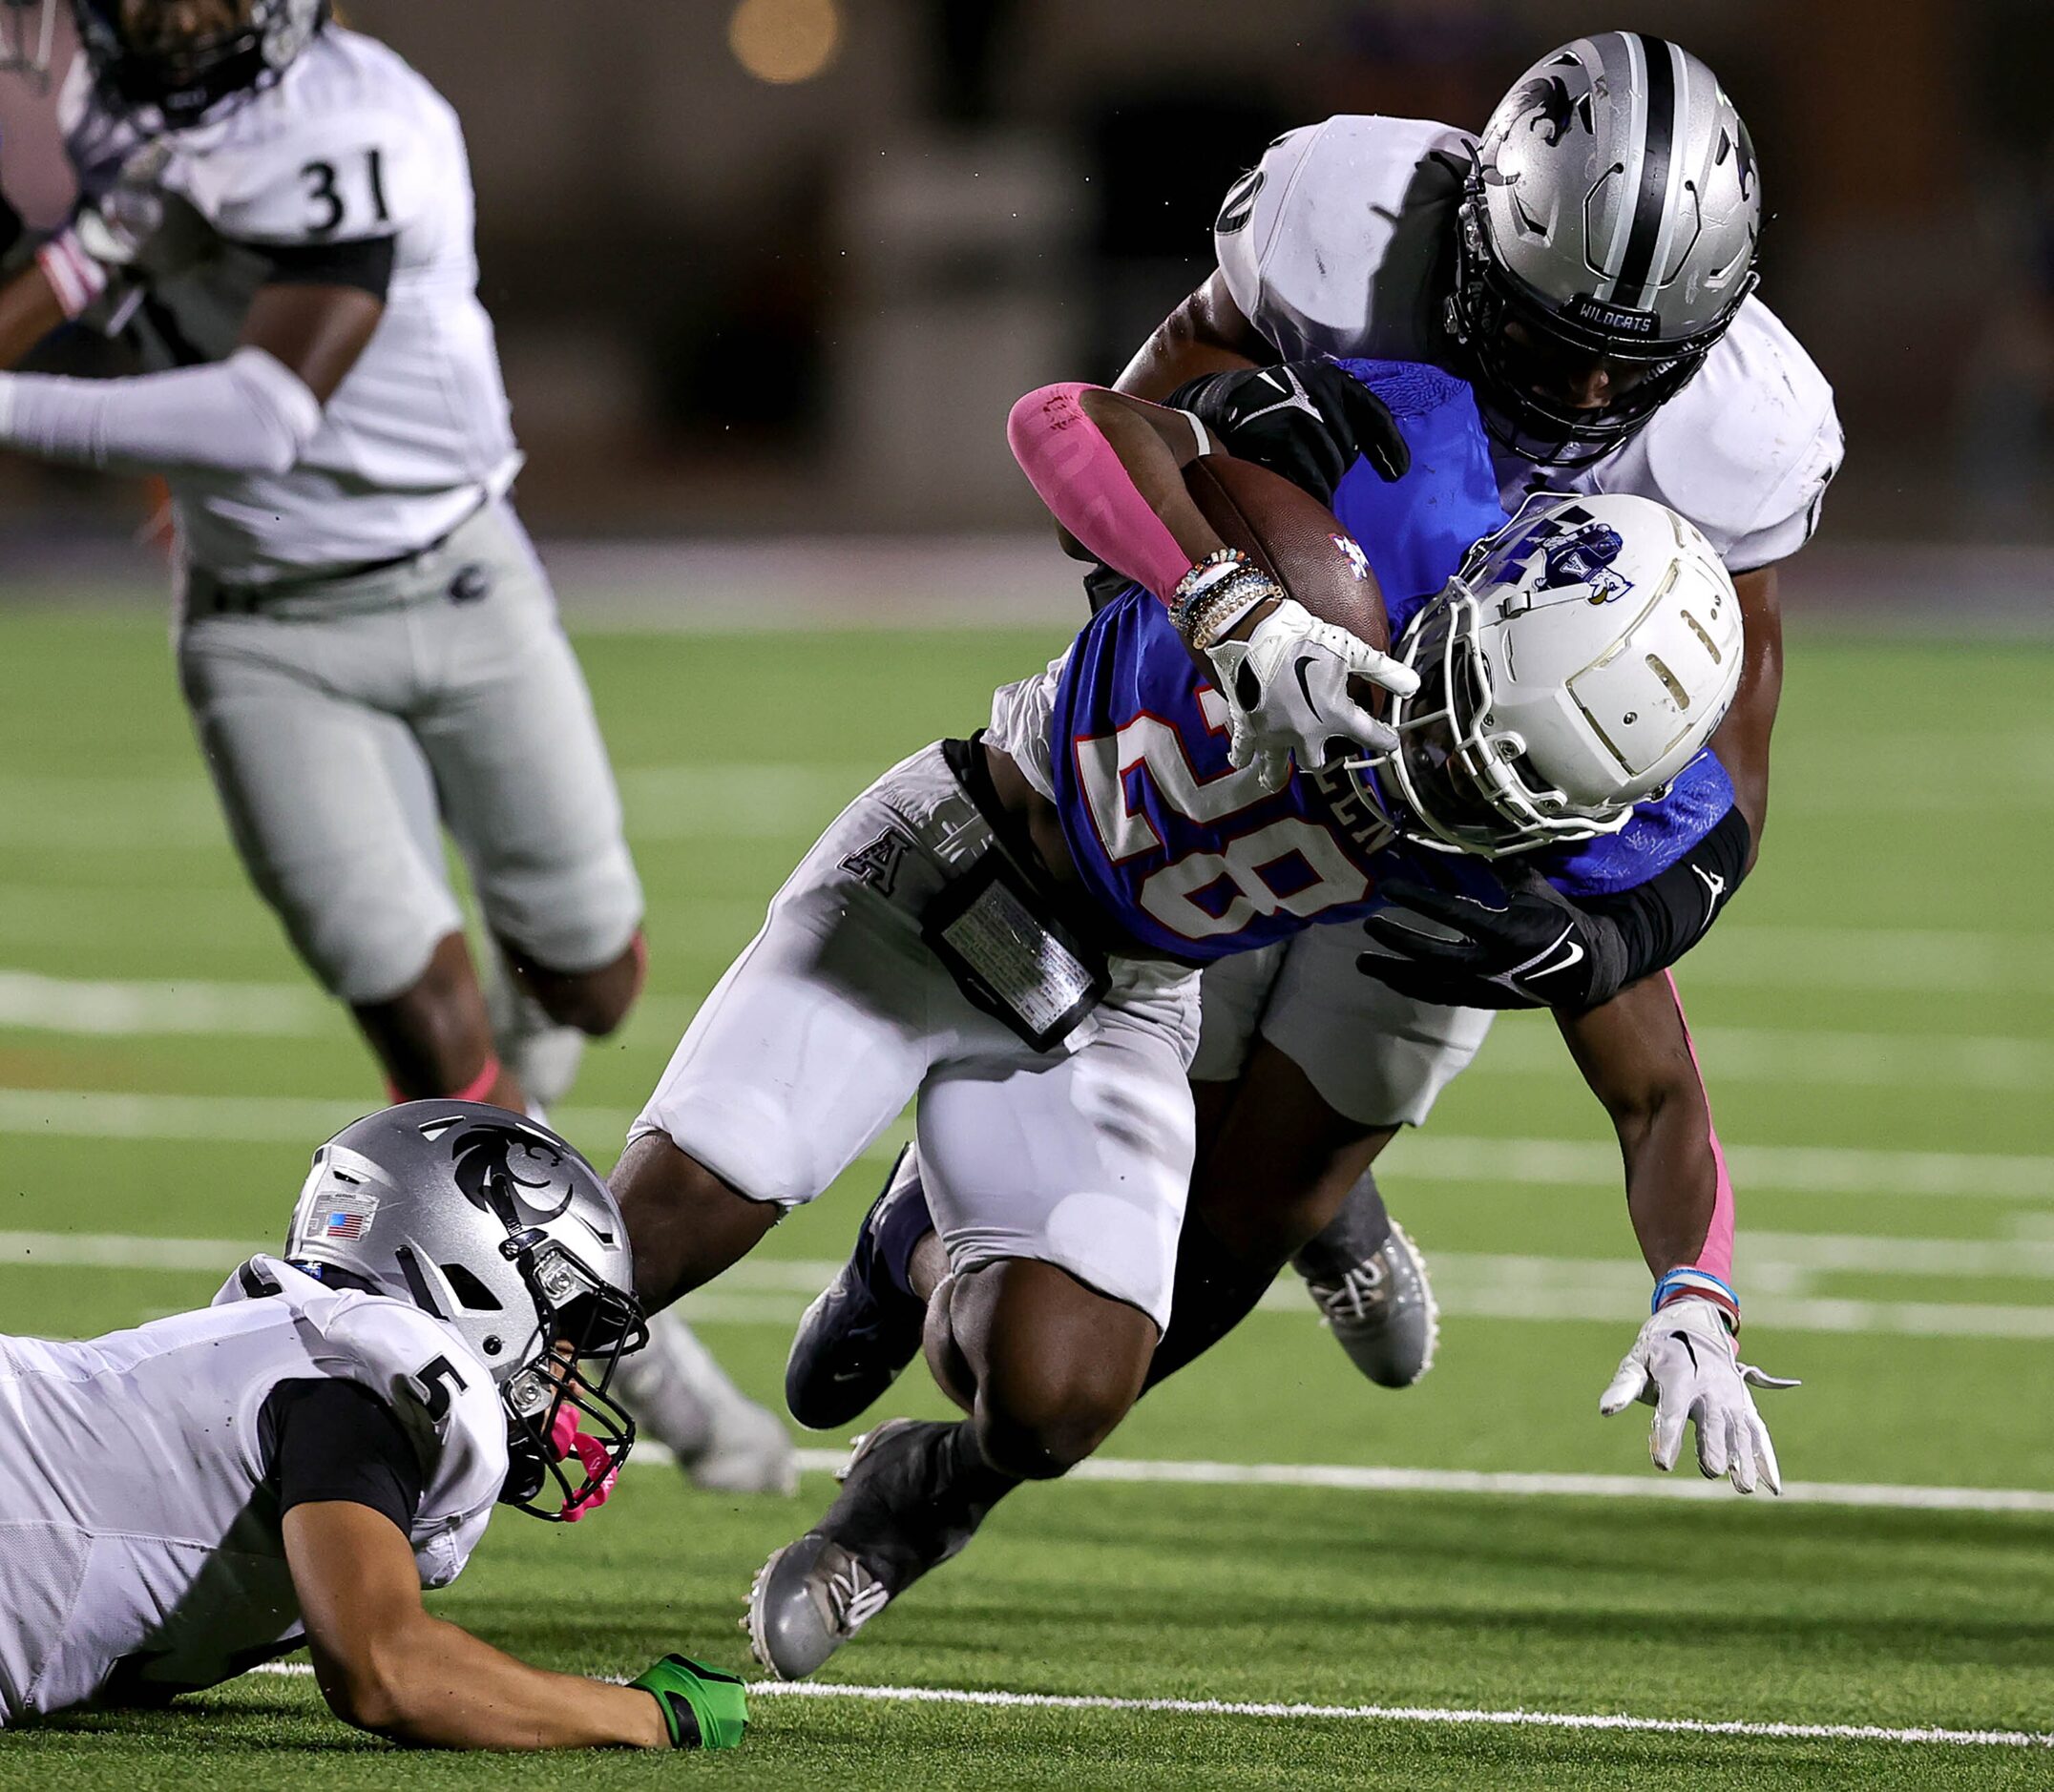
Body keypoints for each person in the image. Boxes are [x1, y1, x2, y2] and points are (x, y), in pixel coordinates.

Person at [605, 369, 1792, 1682]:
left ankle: (927, 1282)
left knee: (1056, 1395)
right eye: (1461, 725)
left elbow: (1661, 1096)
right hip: (954, 866)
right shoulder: (1372, 519)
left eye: (1501, 788)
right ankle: (374, 1458)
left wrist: (1698, 1296)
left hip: (1124, 995)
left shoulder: (1554, 828)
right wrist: (1226, 595)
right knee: (663, 1229)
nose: (1445, 778)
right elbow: (1064, 422)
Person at [0, 0, 792, 1495]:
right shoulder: (68, 111)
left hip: (461, 576)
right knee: (435, 1038)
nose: (182, 14)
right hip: (259, 632)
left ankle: (537, 1149)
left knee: (593, 973)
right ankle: (644, 1361)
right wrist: (69, 256)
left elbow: (267, 409)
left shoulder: (359, 119)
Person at [1088, 31, 1844, 1386]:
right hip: (1276, 678)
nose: (1597, 390)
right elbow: (1131, 424)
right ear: (1482, 244)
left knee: (1251, 1199)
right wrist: (1212, 611)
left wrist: (1604, 939)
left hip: (1490, 787)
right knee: (1134, 1056)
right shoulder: (1354, 219)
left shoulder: (1748, 422)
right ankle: (921, 1242)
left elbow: (1731, 768)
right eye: (1561, 341)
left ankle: (1308, 1205)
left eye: (1638, 359)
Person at [0, 1100, 748, 1750]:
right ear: (474, 1278)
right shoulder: (366, 1378)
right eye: (558, 1331)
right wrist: (649, 1716)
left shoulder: (306, 1355)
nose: (562, 1370)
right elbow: (387, 1671)